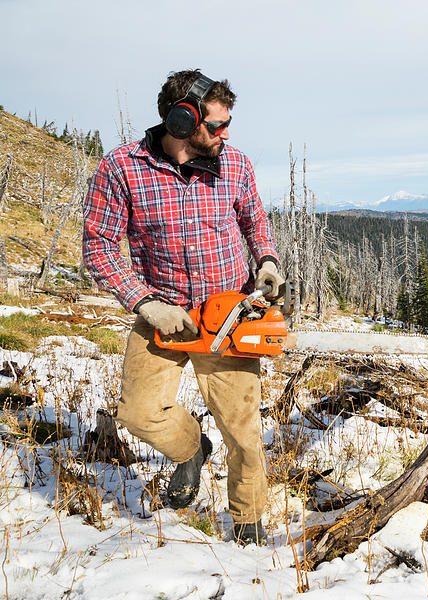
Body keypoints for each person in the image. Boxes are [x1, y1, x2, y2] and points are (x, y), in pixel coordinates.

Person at [82, 69, 284, 546]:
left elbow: (254, 218)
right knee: (139, 413)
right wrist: (146, 303)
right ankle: (191, 449)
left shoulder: (234, 163)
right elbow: (99, 245)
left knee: (243, 430)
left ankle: (249, 525)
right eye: (216, 125)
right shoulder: (122, 169)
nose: (225, 134)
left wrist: (268, 259)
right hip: (163, 312)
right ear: (181, 120)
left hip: (229, 314)